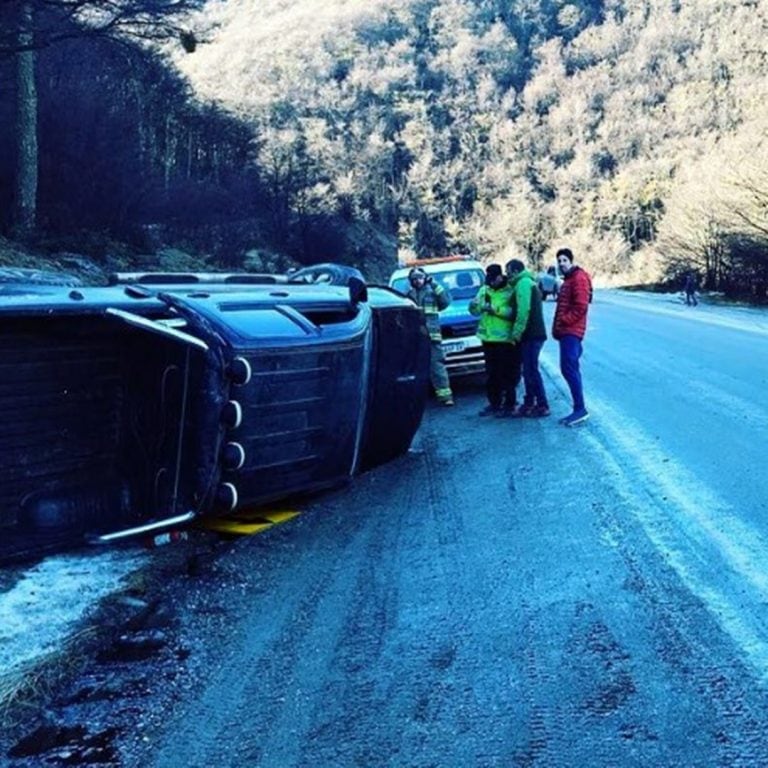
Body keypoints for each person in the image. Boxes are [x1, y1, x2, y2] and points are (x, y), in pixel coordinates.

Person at [469, 263, 518, 417]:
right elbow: (474, 311)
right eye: (488, 279)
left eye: (493, 279)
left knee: (506, 374)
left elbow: (513, 313)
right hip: (488, 339)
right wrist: (474, 306)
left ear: (499, 276)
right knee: (491, 374)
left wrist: (495, 310)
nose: (490, 282)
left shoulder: (510, 290)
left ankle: (509, 405)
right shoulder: (484, 289)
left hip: (504, 340)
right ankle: (494, 404)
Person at [552, 247, 592, 426]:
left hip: (572, 331)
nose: (561, 264)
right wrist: (557, 328)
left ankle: (580, 409)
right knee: (569, 368)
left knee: (569, 368)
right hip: (567, 331)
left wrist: (565, 322)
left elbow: (581, 306)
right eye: (559, 261)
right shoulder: (567, 280)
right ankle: (578, 408)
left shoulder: (578, 278)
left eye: (564, 260)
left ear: (571, 261)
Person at [505, 259, 549, 417]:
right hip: (531, 334)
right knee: (529, 370)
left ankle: (542, 404)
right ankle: (530, 402)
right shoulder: (524, 282)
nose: (507, 275)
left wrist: (516, 334)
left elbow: (523, 311)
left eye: (508, 271)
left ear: (515, 271)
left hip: (531, 334)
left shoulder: (523, 283)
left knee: (531, 371)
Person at [406, 267, 454, 406]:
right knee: (414, 369)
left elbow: (445, 302)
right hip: (415, 337)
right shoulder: (408, 295)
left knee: (436, 367)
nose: (417, 281)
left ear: (425, 278)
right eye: (414, 278)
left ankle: (446, 397)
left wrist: (434, 284)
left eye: (420, 277)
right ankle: (414, 401)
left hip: (432, 336)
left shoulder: (432, 292)